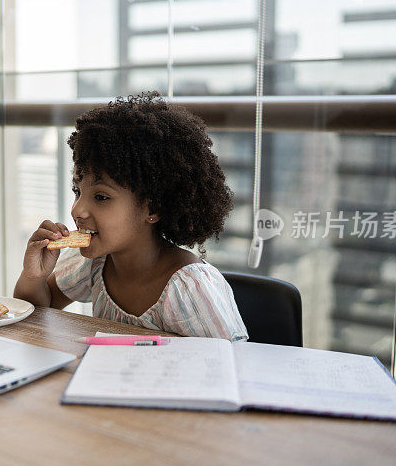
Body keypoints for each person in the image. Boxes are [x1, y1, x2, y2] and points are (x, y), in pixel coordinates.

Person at [13, 92, 248, 340]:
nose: (76, 210)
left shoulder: (190, 289)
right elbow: (38, 312)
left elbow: (231, 364)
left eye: (101, 197)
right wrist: (34, 275)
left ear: (152, 209)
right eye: (77, 191)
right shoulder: (95, 263)